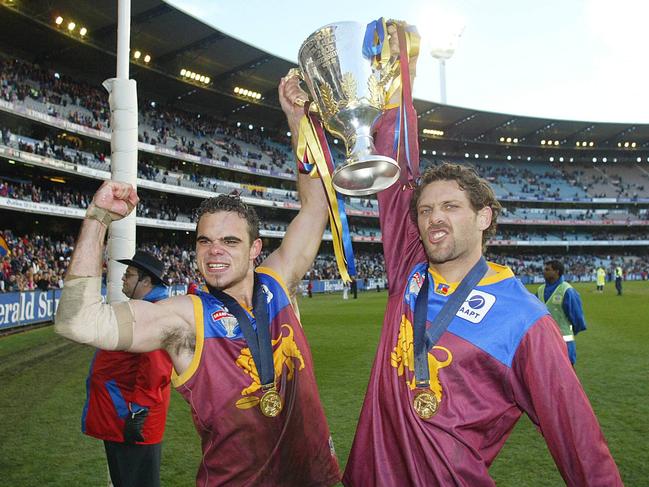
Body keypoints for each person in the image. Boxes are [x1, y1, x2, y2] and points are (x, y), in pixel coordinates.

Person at [342, 22, 622, 486]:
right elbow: (398, 173)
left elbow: (580, 443)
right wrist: (403, 77)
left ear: (484, 218)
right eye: (427, 210)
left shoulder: (525, 321)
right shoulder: (409, 271)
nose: (434, 218)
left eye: (451, 207)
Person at [55, 74, 340, 486]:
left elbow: (315, 210)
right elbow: (76, 322)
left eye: (229, 240)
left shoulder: (279, 284)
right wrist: (97, 219)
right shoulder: (185, 318)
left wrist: (298, 121)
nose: (214, 251)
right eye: (204, 241)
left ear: (255, 249)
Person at [82, 250, 172, 487]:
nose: (123, 278)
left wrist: (138, 412)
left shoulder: (153, 314)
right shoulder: (146, 308)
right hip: (123, 418)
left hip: (131, 421)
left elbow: (156, 369)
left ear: (146, 281)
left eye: (129, 275)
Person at [536, 260, 587, 365]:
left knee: (565, 375)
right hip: (544, 341)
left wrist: (570, 331)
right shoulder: (540, 290)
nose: (543, 271)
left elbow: (577, 318)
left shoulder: (567, 290)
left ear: (556, 272)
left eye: (547, 269)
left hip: (564, 342)